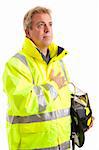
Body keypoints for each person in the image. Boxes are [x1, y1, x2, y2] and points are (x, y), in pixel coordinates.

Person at [2, 6, 72, 150]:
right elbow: (25, 103)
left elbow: (62, 103)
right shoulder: (16, 65)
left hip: (62, 145)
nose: (47, 29)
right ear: (28, 32)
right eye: (41, 25)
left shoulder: (59, 62)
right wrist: (53, 86)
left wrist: (78, 116)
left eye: (50, 24)